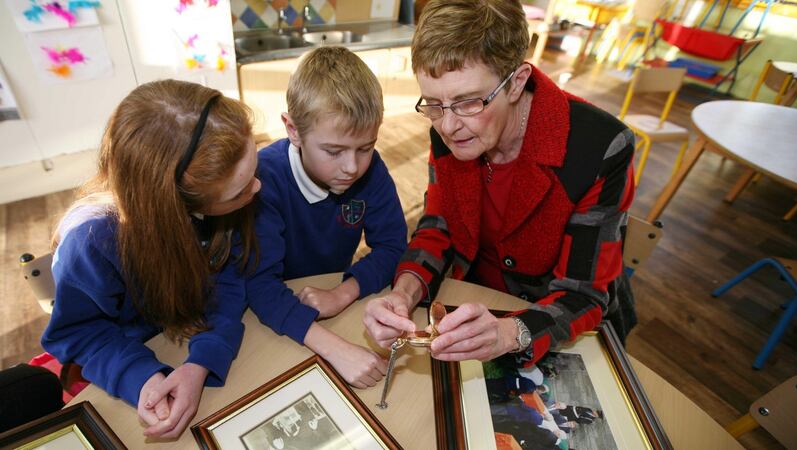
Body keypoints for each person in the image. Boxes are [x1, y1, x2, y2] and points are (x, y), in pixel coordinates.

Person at [363, 0, 636, 367]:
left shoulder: (600, 147)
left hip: (549, 319)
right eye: (433, 103)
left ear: (516, 83)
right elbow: (439, 227)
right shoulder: (452, 126)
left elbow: (583, 294)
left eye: (468, 102)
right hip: (473, 303)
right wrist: (404, 292)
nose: (447, 126)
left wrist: (510, 333)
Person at [41, 80, 261, 439]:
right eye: (240, 190)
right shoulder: (90, 243)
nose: (258, 188)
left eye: (254, 170)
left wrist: (202, 362)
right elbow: (79, 333)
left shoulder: (228, 182)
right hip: (132, 359)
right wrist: (141, 377)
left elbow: (229, 277)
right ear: (177, 208)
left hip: (189, 343)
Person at [247, 46, 407, 387]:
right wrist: (336, 350)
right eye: (334, 151)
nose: (352, 167)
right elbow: (258, 284)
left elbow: (393, 247)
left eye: (366, 147)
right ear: (293, 130)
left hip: (330, 300)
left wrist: (343, 293)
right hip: (272, 320)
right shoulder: (264, 181)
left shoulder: (371, 171)